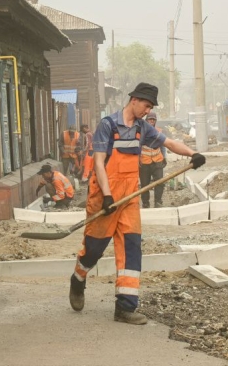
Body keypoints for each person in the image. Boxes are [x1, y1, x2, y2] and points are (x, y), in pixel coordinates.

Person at [68, 83, 206, 325]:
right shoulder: (108, 125)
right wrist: (108, 196)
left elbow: (169, 143)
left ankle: (125, 307)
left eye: (151, 107)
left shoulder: (143, 128)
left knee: (132, 249)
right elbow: (99, 163)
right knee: (94, 250)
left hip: (130, 198)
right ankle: (78, 278)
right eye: (146, 105)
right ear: (134, 100)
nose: (148, 110)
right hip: (105, 197)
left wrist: (192, 154)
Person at [139, 112, 166, 208]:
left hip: (157, 161)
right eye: (150, 119)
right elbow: (138, 146)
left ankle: (158, 201)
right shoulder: (141, 132)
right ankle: (145, 202)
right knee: (144, 184)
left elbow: (163, 146)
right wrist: (138, 159)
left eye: (153, 120)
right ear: (146, 121)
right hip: (145, 162)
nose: (151, 121)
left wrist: (164, 157)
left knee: (159, 182)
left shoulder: (159, 131)